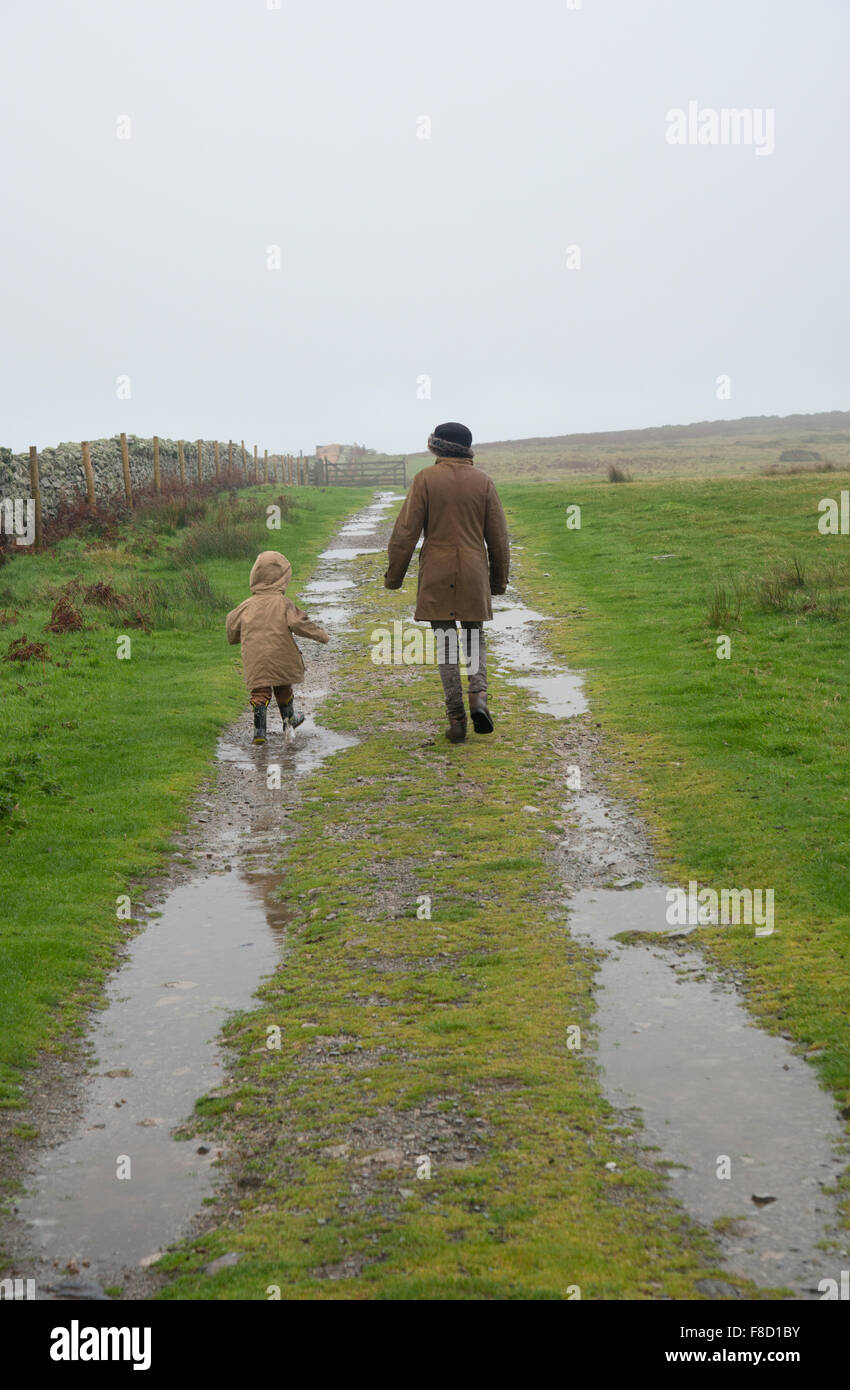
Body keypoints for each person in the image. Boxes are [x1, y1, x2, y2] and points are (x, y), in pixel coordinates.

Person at [384, 422, 510, 743]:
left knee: (446, 644)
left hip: (436, 573)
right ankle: (478, 696)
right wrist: (497, 582)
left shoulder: (425, 479)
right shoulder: (484, 482)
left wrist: (394, 577)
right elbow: (498, 540)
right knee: (473, 634)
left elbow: (405, 533)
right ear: (467, 449)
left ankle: (456, 720)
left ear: (436, 447)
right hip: (473, 571)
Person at [226, 550, 329, 745]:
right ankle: (288, 720)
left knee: (260, 691)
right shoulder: (283, 604)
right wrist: (321, 636)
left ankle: (259, 730)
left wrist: (235, 638)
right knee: (283, 686)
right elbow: (300, 624)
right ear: (282, 578)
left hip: (254, 656)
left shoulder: (246, 606)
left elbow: (231, 624)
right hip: (280, 654)